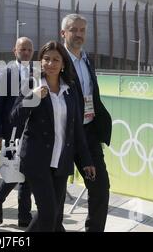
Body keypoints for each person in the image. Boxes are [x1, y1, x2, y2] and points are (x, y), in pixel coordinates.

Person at [10, 40, 95, 232]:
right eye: (46, 59)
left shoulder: (71, 89)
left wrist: (86, 160)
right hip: (36, 159)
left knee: (54, 215)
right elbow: (14, 118)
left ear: (63, 64)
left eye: (56, 59)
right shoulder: (31, 84)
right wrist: (33, 98)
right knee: (48, 213)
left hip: (61, 161)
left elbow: (76, 129)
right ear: (40, 62)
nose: (50, 63)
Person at [60, 14, 112, 232]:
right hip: (63, 134)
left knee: (100, 187)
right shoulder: (56, 59)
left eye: (82, 30)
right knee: (55, 191)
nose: (79, 34)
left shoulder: (87, 59)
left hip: (88, 132)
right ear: (64, 33)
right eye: (74, 30)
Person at [0, 37, 34, 227]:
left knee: (28, 173)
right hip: (10, 132)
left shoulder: (37, 72)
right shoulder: (5, 72)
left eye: (29, 50)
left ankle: (24, 216)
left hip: (31, 131)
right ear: (14, 50)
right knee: (13, 171)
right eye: (22, 49)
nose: (26, 53)